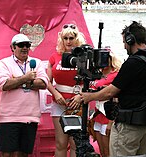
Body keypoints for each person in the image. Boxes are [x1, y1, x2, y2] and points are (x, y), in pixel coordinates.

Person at [79, 21, 146, 156]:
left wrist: (90, 97)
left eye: (124, 42)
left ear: (130, 40)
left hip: (129, 126)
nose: (124, 46)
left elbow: (112, 91)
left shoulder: (133, 62)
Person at [0, 33, 49, 157]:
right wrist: (26, 78)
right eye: (21, 45)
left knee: (23, 154)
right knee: (7, 154)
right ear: (12, 47)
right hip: (9, 116)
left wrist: (18, 82)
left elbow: (43, 83)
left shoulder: (37, 62)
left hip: (30, 117)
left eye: (27, 45)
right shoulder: (4, 63)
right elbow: (2, 85)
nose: (25, 48)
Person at [47, 23, 86, 157]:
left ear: (77, 38)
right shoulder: (55, 57)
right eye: (65, 38)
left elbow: (91, 82)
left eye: (71, 38)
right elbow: (47, 80)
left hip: (78, 104)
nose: (68, 41)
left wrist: (80, 97)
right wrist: (55, 93)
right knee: (61, 143)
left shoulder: (84, 57)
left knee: (76, 143)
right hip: (59, 103)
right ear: (61, 40)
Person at [89, 50, 122, 157]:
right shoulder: (98, 74)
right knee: (102, 152)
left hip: (108, 117)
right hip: (98, 116)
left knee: (109, 152)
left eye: (105, 58)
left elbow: (117, 99)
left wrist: (111, 122)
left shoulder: (116, 74)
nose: (103, 61)